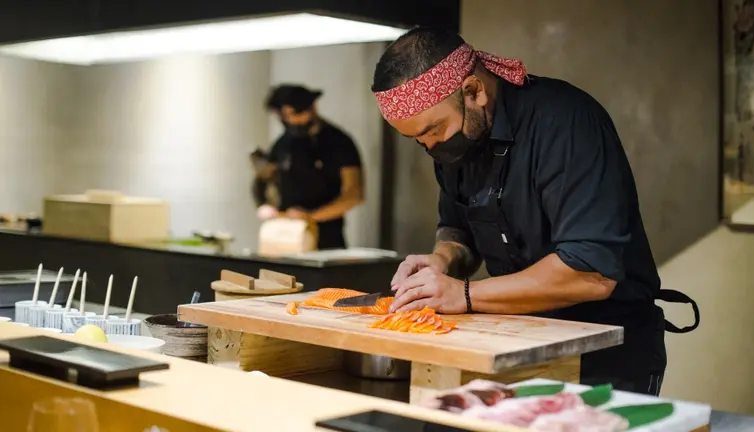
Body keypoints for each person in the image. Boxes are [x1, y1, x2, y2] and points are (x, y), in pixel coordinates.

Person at [372, 27, 699, 395]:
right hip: (515, 341)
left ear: (474, 91)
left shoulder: (565, 121)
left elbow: (589, 271)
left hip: (602, 353)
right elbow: (457, 229)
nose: (430, 146)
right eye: (417, 139)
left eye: (434, 130)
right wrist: (441, 261)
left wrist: (462, 294)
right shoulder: (455, 144)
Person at [255, 84, 364, 249]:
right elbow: (263, 178)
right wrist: (264, 205)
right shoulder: (284, 143)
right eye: (286, 116)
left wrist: (311, 217)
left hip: (326, 238)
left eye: (295, 114)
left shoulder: (338, 142)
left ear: (312, 107)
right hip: (286, 236)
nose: (292, 120)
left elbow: (354, 195)